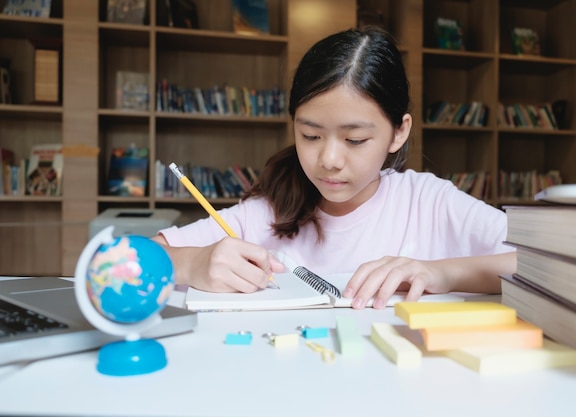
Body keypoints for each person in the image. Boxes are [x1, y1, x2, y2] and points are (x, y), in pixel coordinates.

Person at [153, 26, 516, 309]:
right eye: (310, 135)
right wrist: (190, 264)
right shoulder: (267, 214)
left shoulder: (429, 202)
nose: (328, 159)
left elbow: (549, 269)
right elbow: (116, 259)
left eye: (355, 140)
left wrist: (442, 273)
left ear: (398, 132)